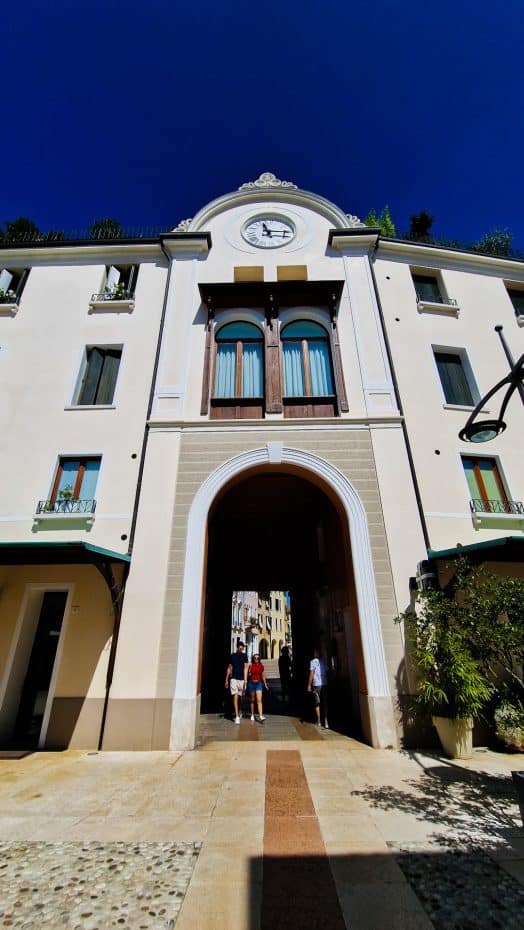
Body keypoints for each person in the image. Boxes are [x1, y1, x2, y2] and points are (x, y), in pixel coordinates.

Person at [225, 641, 248, 724]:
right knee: (235, 696)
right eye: (240, 648)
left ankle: (240, 709)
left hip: (242, 679)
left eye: (242, 648)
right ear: (237, 647)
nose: (241, 650)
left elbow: (246, 668)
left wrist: (245, 680)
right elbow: (229, 668)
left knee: (241, 698)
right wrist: (226, 679)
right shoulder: (232, 656)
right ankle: (237, 716)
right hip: (233, 678)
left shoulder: (245, 656)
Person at [307, 647, 329, 728]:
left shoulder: (312, 662)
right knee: (325, 703)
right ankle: (326, 721)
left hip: (316, 685)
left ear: (315, 654)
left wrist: (309, 685)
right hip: (324, 684)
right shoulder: (324, 661)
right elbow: (327, 672)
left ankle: (319, 720)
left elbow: (311, 674)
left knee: (317, 703)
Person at [247, 653, 269, 722]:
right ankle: (252, 714)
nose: (256, 659)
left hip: (258, 684)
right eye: (255, 658)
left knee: (259, 700)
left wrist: (265, 684)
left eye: (258, 658)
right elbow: (248, 675)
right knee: (252, 700)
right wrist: (249, 673)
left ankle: (260, 715)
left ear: (259, 659)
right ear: (253, 659)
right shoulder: (251, 665)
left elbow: (263, 675)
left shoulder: (261, 666)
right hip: (251, 683)